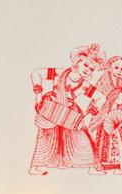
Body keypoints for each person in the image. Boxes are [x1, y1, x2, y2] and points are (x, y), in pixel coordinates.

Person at [28, 43, 106, 175]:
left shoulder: (84, 85)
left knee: (82, 137)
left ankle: (92, 167)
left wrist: (89, 116)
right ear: (77, 62)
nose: (87, 70)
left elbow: (101, 98)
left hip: (69, 113)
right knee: (46, 138)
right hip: (51, 108)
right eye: (85, 65)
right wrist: (38, 95)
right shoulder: (59, 73)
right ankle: (35, 168)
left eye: (91, 69)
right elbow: (36, 73)